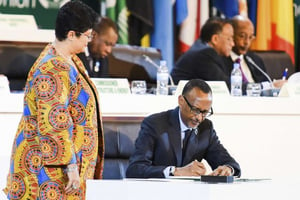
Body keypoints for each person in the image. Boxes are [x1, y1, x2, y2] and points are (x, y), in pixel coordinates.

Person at [3, 1, 104, 199]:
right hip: (49, 173)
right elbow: (54, 121)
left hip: (64, 169)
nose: (89, 40)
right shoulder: (52, 68)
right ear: (71, 34)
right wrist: (71, 165)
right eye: (87, 35)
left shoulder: (70, 59)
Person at [126, 79, 241, 178]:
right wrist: (175, 171)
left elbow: (230, 163)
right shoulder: (155, 124)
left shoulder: (206, 128)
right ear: (181, 101)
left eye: (205, 112)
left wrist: (227, 169)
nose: (200, 118)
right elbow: (135, 170)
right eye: (196, 110)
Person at [222, 15, 286, 93]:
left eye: (250, 37)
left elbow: (268, 88)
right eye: (242, 36)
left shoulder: (255, 60)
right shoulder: (221, 59)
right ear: (232, 35)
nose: (246, 42)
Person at [171, 17, 234, 89]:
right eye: (229, 39)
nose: (232, 44)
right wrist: (249, 86)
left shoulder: (204, 49)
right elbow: (225, 85)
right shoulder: (204, 54)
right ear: (215, 39)